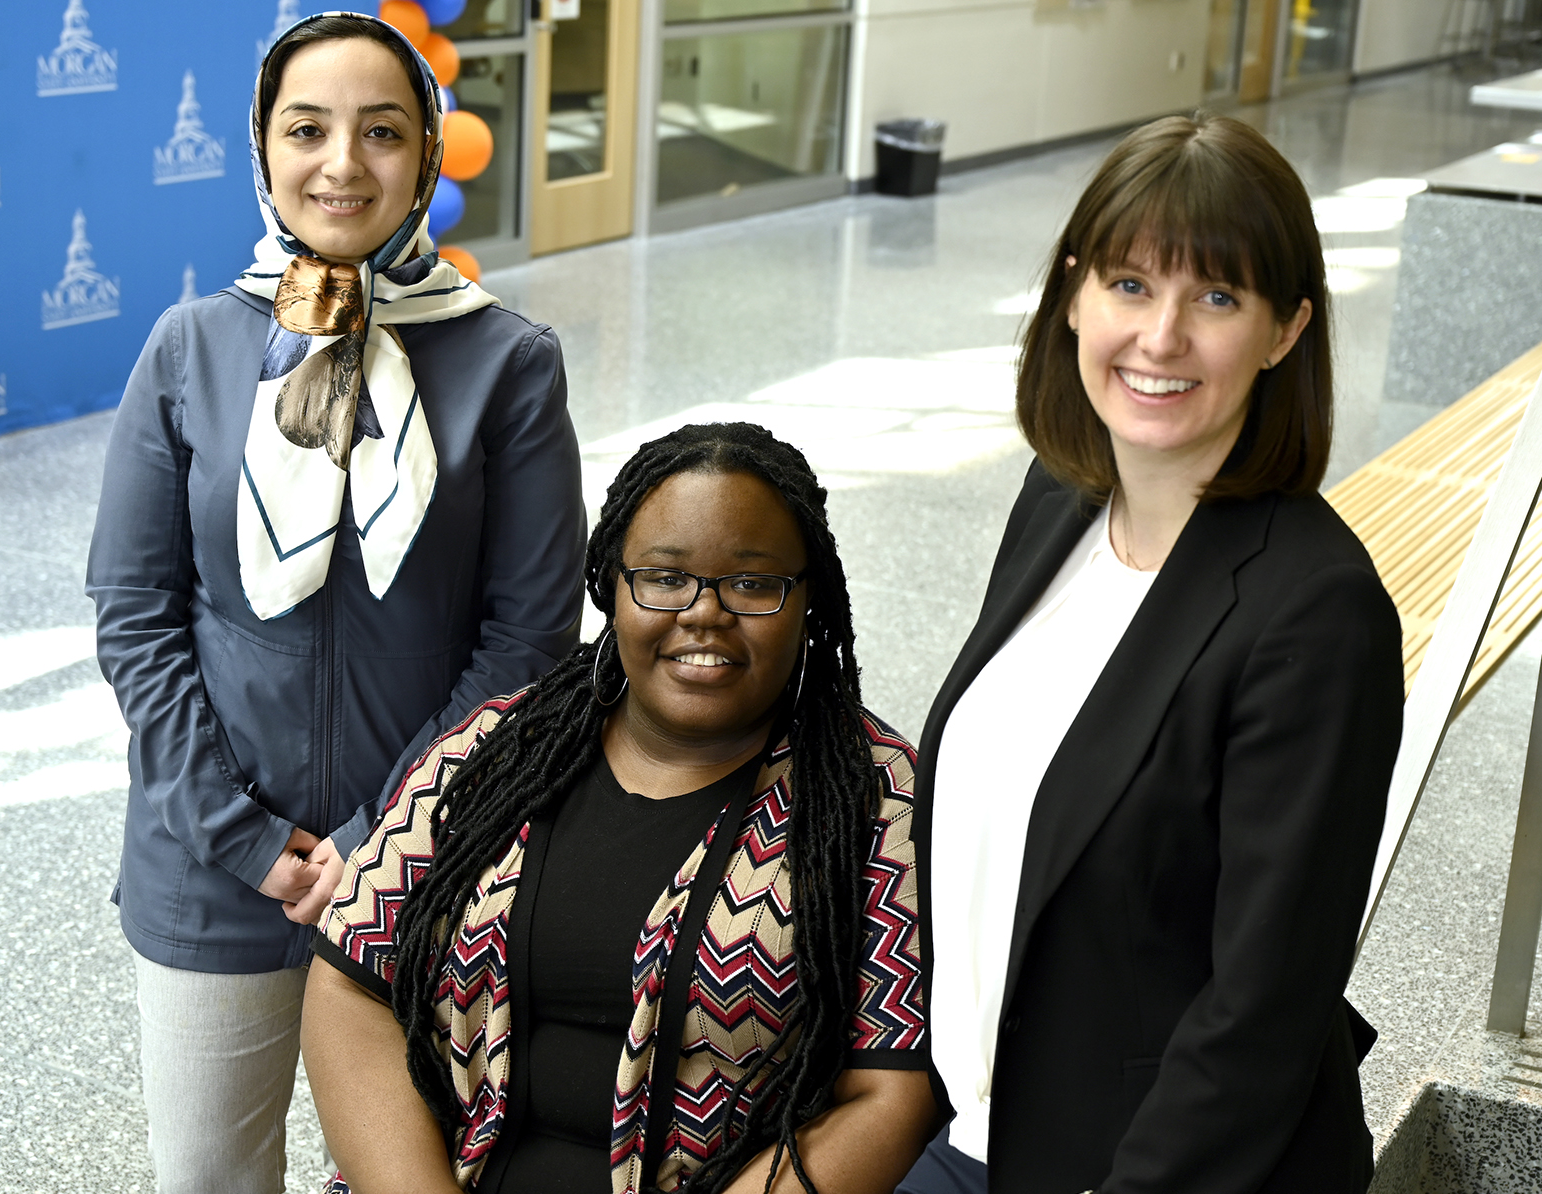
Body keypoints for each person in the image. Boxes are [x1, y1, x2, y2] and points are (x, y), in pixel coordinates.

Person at [85, 12, 585, 1192]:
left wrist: (380, 846)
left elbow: (526, 644)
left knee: (407, 1178)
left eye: (382, 132)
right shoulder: (190, 349)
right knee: (212, 1179)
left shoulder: (507, 362)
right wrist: (244, 839)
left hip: (433, 863)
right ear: (262, 149)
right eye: (307, 129)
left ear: (426, 155)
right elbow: (134, 611)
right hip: (210, 866)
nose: (343, 165)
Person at [901, 113, 1405, 1194]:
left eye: (1216, 298)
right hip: (978, 1126)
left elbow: (1263, 1006)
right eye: (1130, 285)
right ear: (1075, 292)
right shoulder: (1060, 503)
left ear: (1285, 330)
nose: (1161, 337)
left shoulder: (1316, 614)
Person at [301, 422, 940, 1194]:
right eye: (665, 578)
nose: (704, 613)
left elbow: (888, 1093)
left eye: (752, 583)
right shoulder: (498, 751)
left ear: (809, 599)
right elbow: (351, 983)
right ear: (612, 585)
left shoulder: (877, 802)